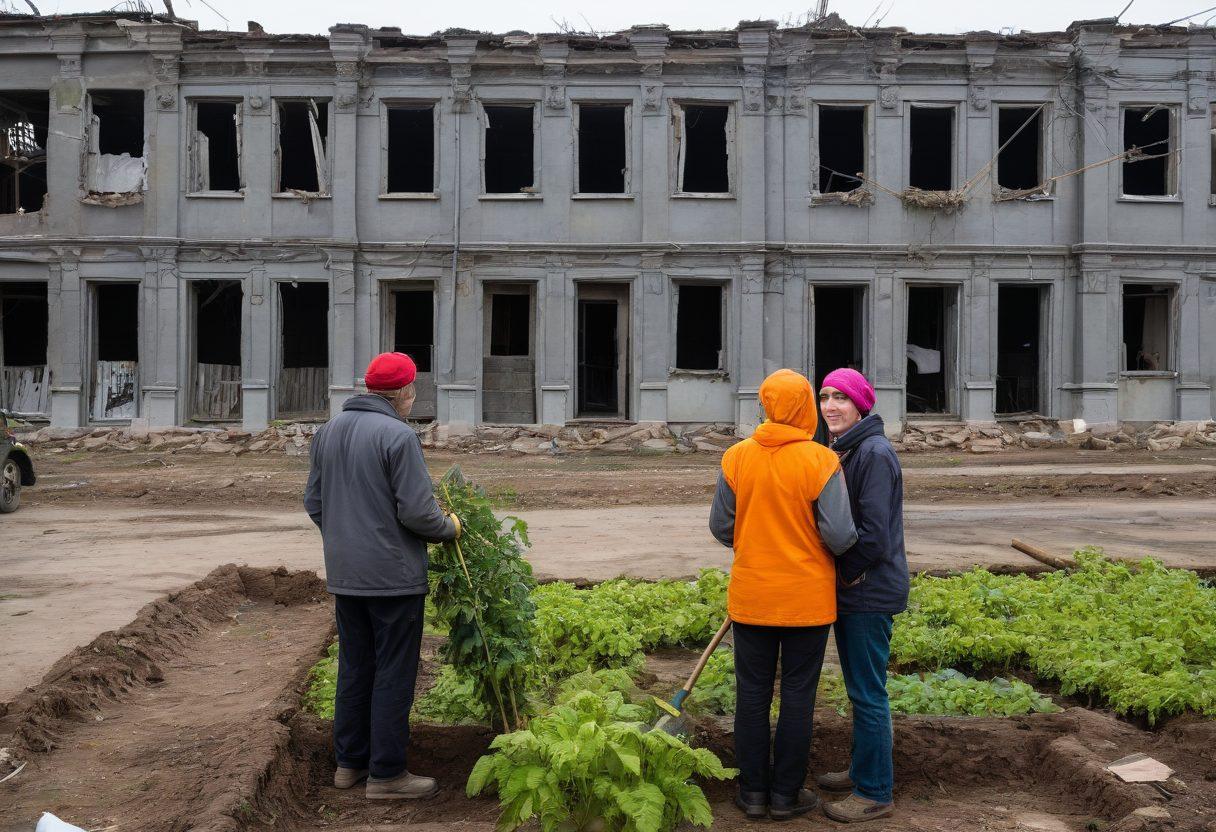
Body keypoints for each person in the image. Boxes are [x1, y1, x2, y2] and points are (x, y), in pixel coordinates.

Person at [304, 351, 461, 801]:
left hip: (346, 576)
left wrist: (345, 539)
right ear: (406, 393)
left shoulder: (328, 432)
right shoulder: (398, 436)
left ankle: (349, 764)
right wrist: (450, 527)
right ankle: (388, 775)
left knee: (356, 666)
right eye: (413, 391)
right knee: (393, 671)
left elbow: (314, 504)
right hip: (393, 579)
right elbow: (417, 512)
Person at [709, 369, 858, 821]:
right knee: (798, 695)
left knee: (751, 695)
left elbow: (721, 526)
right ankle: (786, 796)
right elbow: (840, 534)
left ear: (767, 407)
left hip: (752, 597)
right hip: (806, 603)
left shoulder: (736, 457)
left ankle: (753, 793)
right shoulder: (820, 461)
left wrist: (756, 537)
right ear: (806, 409)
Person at [815, 368, 908, 823]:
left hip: (869, 591)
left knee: (869, 694)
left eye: (841, 398)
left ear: (861, 405)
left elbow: (873, 535)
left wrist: (847, 575)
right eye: (825, 396)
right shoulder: (851, 448)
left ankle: (874, 791)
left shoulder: (872, 453)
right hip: (861, 589)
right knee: (860, 690)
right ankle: (860, 770)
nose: (830, 406)